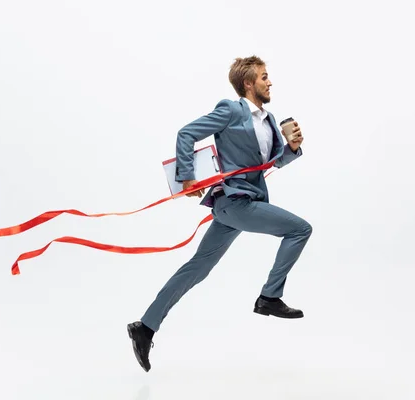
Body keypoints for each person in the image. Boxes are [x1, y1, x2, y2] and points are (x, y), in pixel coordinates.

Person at [127, 55, 313, 372]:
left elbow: (272, 163)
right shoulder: (231, 109)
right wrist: (187, 176)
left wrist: (292, 148)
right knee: (299, 229)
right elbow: (187, 133)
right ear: (248, 83)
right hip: (235, 202)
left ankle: (145, 327)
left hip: (240, 205)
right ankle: (269, 297)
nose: (270, 81)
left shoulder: (269, 120)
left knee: (197, 269)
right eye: (264, 76)